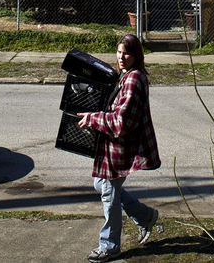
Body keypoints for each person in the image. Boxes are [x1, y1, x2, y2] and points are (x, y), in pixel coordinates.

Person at [78, 33, 161, 262]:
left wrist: (93, 119)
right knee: (103, 186)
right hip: (112, 145)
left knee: (108, 192)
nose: (122, 57)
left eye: (127, 53)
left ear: (136, 55)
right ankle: (145, 216)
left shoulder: (134, 80)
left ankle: (110, 246)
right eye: (119, 52)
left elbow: (120, 123)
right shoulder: (126, 75)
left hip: (120, 146)